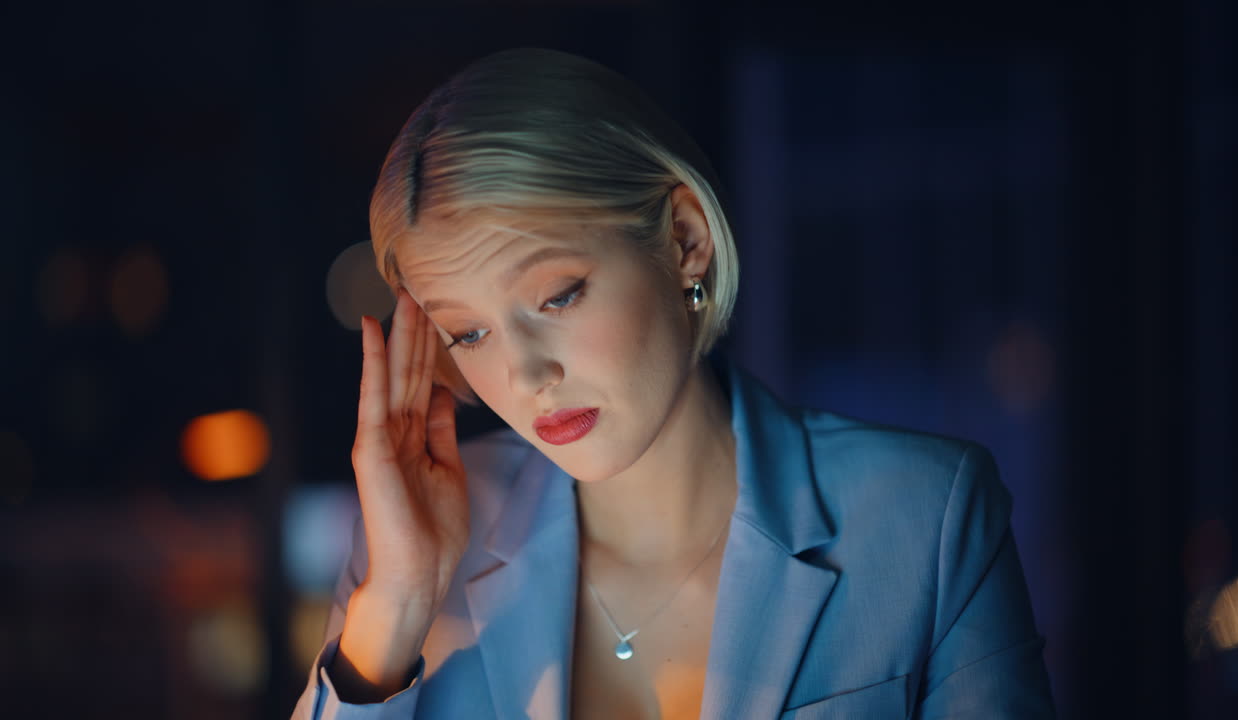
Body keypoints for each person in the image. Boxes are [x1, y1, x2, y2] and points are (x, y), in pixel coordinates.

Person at [291, 47, 1055, 719]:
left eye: (558, 295)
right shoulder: (413, 552)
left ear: (685, 240)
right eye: (469, 333)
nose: (526, 375)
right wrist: (392, 607)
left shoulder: (925, 514)